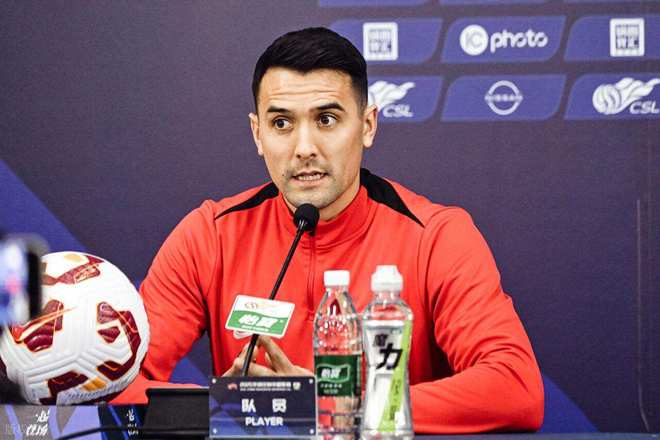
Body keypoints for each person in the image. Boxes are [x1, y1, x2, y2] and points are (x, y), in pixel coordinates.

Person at [113, 27, 544, 433]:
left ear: (367, 125)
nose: (304, 148)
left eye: (326, 120)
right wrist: (237, 408)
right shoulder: (210, 236)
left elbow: (514, 388)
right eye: (282, 124)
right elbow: (114, 385)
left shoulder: (436, 236)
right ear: (257, 134)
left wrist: (337, 409)